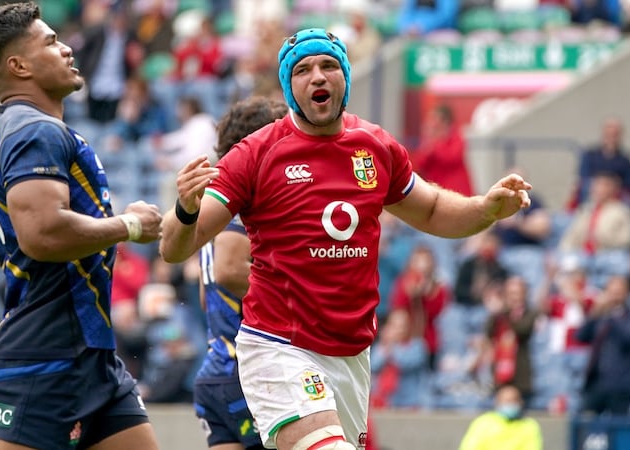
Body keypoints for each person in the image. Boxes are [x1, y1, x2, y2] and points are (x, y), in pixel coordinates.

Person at [159, 28, 532, 450]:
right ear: (289, 86)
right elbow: (174, 249)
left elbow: (430, 210)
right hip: (279, 345)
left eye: (328, 65)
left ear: (345, 77)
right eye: (302, 70)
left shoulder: (375, 146)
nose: (317, 76)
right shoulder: (255, 153)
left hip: (350, 353)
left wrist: (485, 209)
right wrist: (185, 207)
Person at [0, 3, 162, 450]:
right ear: (18, 66)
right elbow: (41, 234)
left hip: (91, 354)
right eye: (50, 41)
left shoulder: (7, 133)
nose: (66, 48)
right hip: (44, 356)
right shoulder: (34, 132)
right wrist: (128, 226)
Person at [194, 96, 287, 450]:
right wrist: (296, 297)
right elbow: (229, 270)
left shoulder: (213, 202)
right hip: (248, 373)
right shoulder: (242, 196)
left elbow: (208, 293)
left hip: (216, 374)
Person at [576, 276, 630, 416]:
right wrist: (594, 313)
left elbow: (629, 338)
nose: (614, 296)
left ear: (626, 293)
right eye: (611, 292)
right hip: (597, 383)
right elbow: (581, 336)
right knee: (585, 422)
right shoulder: (601, 316)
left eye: (618, 292)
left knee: (619, 426)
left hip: (621, 385)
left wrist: (614, 316)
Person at [458, 385, 543, 450]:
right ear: (497, 402)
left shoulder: (529, 426)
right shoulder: (483, 423)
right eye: (507, 401)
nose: (510, 404)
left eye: (514, 400)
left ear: (520, 402)